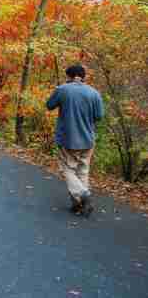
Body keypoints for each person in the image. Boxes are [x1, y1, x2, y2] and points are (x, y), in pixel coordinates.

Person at [46, 64, 104, 217]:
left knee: (67, 170)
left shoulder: (62, 90)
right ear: (84, 76)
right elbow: (99, 116)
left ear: (69, 76)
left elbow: (49, 105)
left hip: (68, 139)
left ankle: (83, 194)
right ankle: (78, 206)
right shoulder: (94, 93)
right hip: (88, 139)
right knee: (83, 171)